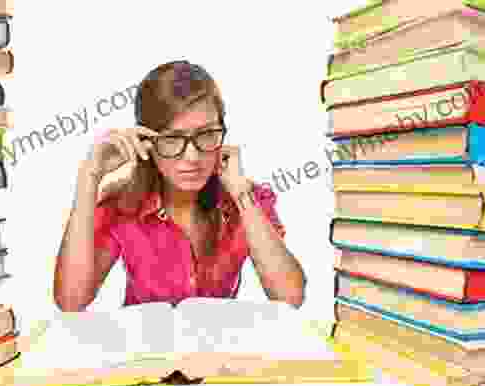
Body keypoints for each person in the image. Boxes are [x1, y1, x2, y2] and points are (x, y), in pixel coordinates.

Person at [54, 60, 306, 310]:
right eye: (173, 138)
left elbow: (290, 296)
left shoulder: (246, 198)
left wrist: (242, 197)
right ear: (147, 141)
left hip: (219, 348)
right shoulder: (123, 205)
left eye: (206, 134)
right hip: (143, 348)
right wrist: (90, 177)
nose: (192, 157)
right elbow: (71, 300)